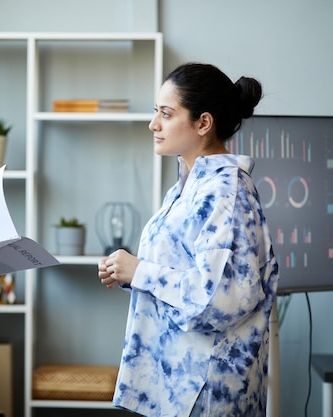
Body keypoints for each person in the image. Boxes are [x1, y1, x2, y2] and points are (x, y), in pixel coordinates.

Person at [98, 63, 279, 417]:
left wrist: (139, 272)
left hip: (207, 393)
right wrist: (125, 272)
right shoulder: (186, 187)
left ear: (203, 123)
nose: (154, 124)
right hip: (175, 387)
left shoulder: (226, 192)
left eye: (166, 114)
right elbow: (178, 270)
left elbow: (219, 300)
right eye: (156, 112)